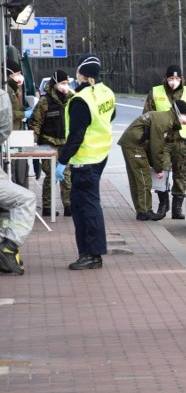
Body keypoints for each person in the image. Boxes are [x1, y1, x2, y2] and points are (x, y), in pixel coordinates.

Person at [56, 55, 115, 271]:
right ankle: (90, 253)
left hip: (85, 160)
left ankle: (92, 255)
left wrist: (62, 161)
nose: (74, 77)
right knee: (86, 206)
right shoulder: (106, 92)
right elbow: (111, 116)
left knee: (86, 208)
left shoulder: (80, 100)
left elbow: (76, 135)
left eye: (77, 73)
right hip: (100, 156)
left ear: (84, 75)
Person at [143, 65, 186, 220]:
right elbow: (147, 115)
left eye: (177, 79)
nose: (174, 82)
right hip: (161, 140)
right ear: (165, 78)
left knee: (181, 174)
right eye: (171, 78)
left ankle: (177, 207)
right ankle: (163, 204)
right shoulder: (155, 92)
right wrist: (146, 137)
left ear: (182, 79)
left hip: (182, 140)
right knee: (161, 172)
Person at [118, 100, 186, 221]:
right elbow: (156, 146)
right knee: (143, 177)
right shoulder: (164, 122)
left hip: (133, 143)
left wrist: (155, 165)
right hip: (135, 145)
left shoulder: (165, 117)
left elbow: (154, 146)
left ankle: (142, 210)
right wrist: (159, 168)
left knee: (137, 178)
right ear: (178, 113)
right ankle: (145, 211)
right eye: (185, 115)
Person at [0, 81, 36, 276]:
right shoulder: (2, 96)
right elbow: (4, 129)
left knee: (6, 205)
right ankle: (9, 246)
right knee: (25, 199)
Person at [29, 69, 73, 217]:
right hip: (48, 143)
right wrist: (33, 141)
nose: (65, 86)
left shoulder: (71, 99)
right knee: (51, 175)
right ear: (55, 84)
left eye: (67, 83)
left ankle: (69, 205)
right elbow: (36, 123)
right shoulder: (45, 101)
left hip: (65, 142)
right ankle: (48, 207)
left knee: (66, 175)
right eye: (62, 83)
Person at [5, 58, 28, 187]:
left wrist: (23, 109)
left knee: (11, 168)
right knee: (8, 169)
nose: (19, 76)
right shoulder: (6, 89)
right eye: (17, 73)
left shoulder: (13, 88)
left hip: (13, 134)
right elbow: (7, 114)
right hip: (8, 134)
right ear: (9, 74)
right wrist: (24, 114)